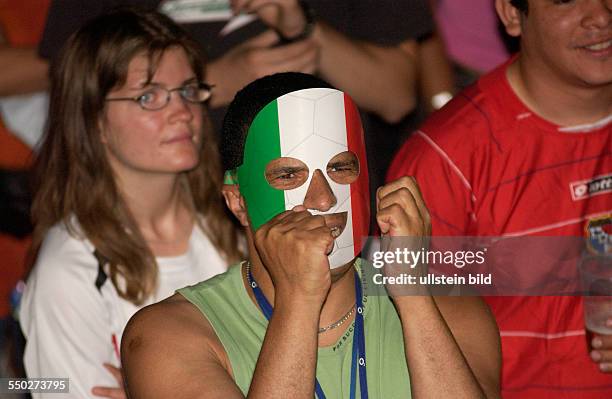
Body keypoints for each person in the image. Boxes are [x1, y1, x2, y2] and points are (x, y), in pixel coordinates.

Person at [121, 72, 501, 398]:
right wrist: (299, 299)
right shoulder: (168, 337)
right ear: (238, 202)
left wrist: (414, 298)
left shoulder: (452, 311)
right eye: (289, 175)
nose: (323, 199)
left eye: (340, 168)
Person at [38, 0, 451, 230]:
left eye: (185, 93)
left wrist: (305, 27)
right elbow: (76, 87)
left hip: (309, 217)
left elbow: (396, 97)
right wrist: (210, 81)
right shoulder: (75, 264)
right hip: (149, 209)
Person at [387, 0, 611, 398]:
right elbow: (418, 351)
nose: (601, 16)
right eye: (567, 0)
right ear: (511, 13)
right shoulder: (447, 160)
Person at [19, 8, 241, 398]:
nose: (182, 112)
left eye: (189, 90)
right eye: (148, 96)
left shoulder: (236, 218)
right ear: (95, 121)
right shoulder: (69, 270)